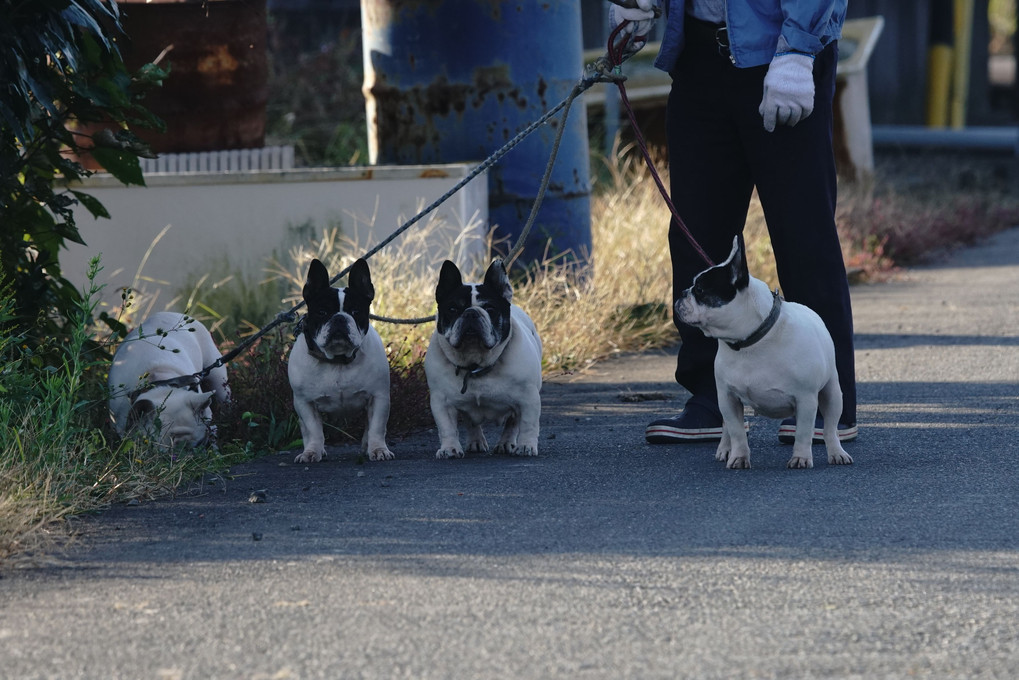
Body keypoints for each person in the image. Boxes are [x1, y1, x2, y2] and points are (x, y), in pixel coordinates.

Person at [610, 0, 858, 445]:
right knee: (696, 232)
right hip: (699, 58)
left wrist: (799, 52)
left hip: (781, 55)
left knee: (802, 234)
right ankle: (711, 396)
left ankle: (827, 401)